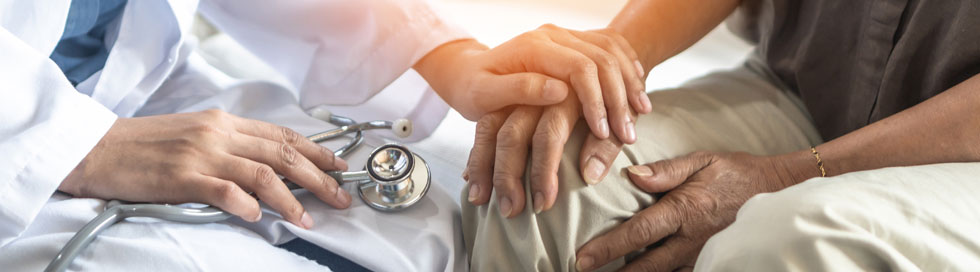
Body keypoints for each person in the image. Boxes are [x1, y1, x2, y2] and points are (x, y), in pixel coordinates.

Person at [0, 0, 649, 270]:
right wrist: (83, 144)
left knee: (443, 229)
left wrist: (446, 56)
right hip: (23, 136)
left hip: (140, 81)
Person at [462, 0, 980, 271]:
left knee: (781, 246)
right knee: (548, 178)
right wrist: (609, 63)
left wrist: (785, 176)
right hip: (807, 84)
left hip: (963, 157)